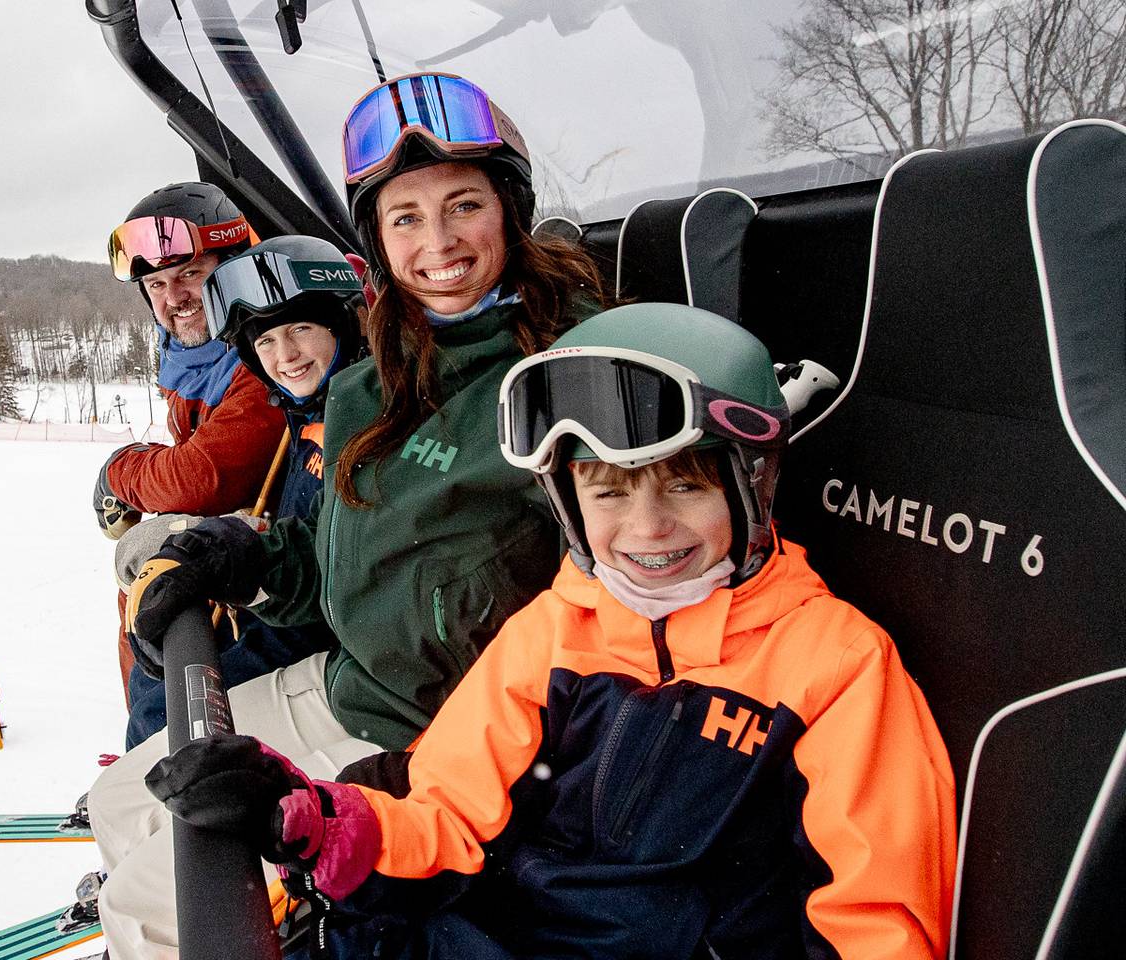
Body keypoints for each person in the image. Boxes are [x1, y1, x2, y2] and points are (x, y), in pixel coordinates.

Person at [147, 302, 958, 959]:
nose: (646, 529)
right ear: (568, 503)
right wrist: (311, 818)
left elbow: (877, 924)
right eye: (607, 494)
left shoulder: (834, 667)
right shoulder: (558, 629)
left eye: (684, 486)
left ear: (752, 484)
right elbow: (447, 817)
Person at [89, 73, 609, 958]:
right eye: (404, 218)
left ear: (510, 212)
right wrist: (247, 563)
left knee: (158, 905)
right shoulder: (380, 371)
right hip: (350, 685)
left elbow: (624, 615)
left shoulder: (576, 375)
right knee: (124, 801)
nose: (437, 243)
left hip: (442, 737)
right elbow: (345, 557)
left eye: (463, 206)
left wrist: (441, 768)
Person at [112, 234, 365, 748]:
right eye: (266, 341)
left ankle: (164, 803)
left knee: (168, 709)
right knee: (156, 675)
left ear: (345, 323)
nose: (285, 355)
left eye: (300, 329)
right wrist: (235, 540)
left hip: (327, 638)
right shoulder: (309, 408)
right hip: (290, 609)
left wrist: (240, 553)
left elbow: (203, 476)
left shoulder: (363, 416)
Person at [95, 182, 291, 729]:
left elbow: (200, 477)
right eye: (156, 284)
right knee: (143, 599)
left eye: (190, 275)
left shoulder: (269, 358)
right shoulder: (195, 361)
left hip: (268, 578)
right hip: (228, 562)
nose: (173, 297)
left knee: (163, 659)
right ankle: (143, 759)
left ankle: (156, 763)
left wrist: (121, 470)